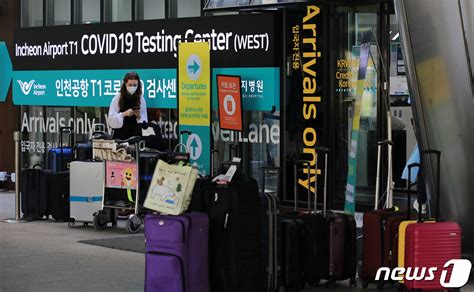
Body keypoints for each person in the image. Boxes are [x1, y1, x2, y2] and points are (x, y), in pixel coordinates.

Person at [108, 72, 148, 140]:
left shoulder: (141, 99)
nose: (132, 87)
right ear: (125, 84)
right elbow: (111, 120)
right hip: (120, 137)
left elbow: (145, 122)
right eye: (130, 85)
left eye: (135, 85)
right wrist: (124, 114)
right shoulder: (117, 98)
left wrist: (138, 116)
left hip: (135, 136)